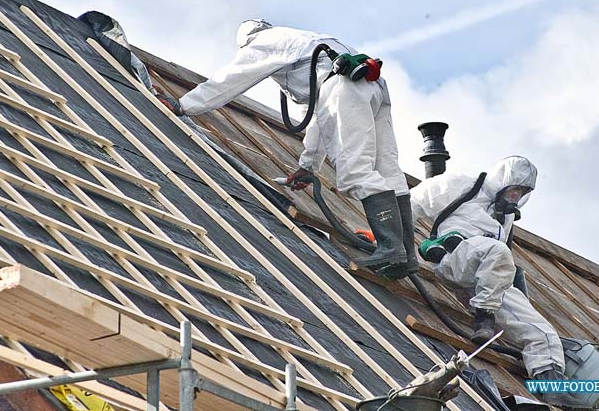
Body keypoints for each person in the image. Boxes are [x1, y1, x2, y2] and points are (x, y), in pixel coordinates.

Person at [160, 20, 417, 278]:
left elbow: (230, 80)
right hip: (371, 85)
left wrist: (183, 106)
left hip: (345, 86)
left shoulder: (262, 43)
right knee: (388, 170)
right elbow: (322, 111)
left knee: (354, 171)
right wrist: (308, 166)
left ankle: (391, 248)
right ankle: (406, 254)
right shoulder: (306, 43)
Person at [410, 156, 566, 381]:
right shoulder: (462, 184)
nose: (516, 197)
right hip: (454, 259)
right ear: (503, 180)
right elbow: (413, 203)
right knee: (498, 252)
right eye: (515, 190)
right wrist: (386, 236)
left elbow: (500, 261)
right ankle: (484, 318)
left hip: (484, 283)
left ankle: (551, 386)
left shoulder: (505, 217)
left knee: (542, 333)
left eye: (521, 193)